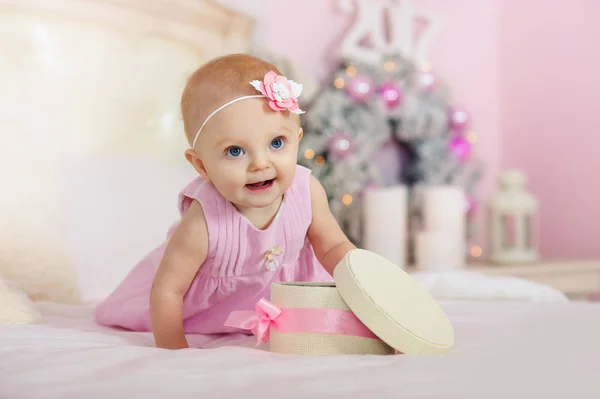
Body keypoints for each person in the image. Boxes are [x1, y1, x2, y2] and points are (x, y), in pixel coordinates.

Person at [94, 53, 356, 349]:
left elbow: (333, 246)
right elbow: (168, 290)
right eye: (235, 151)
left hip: (281, 301)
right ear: (202, 166)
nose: (260, 163)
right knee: (145, 313)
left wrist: (365, 283)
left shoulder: (306, 190)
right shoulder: (203, 220)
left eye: (276, 143)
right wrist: (174, 350)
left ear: (297, 139)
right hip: (203, 314)